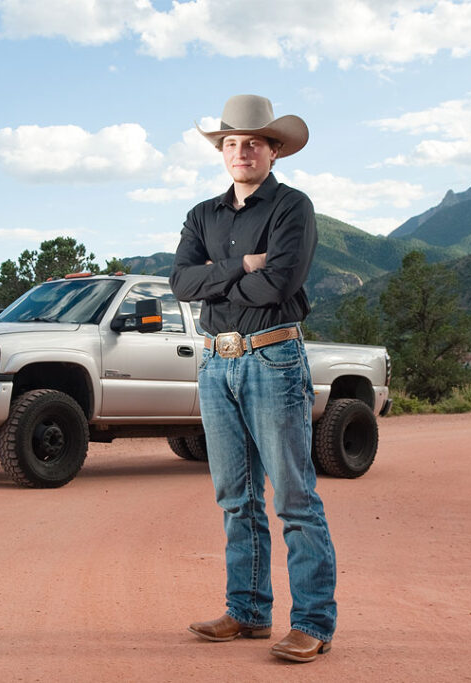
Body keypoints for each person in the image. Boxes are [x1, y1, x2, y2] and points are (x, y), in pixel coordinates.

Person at [169, 94, 337, 663]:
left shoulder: (293, 208)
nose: (242, 151)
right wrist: (241, 266)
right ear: (223, 151)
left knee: (294, 497)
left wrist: (217, 281)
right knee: (235, 497)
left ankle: (312, 622)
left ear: (274, 151)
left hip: (273, 358)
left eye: (254, 143)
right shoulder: (202, 216)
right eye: (232, 143)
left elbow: (281, 283)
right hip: (216, 362)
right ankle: (247, 611)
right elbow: (180, 284)